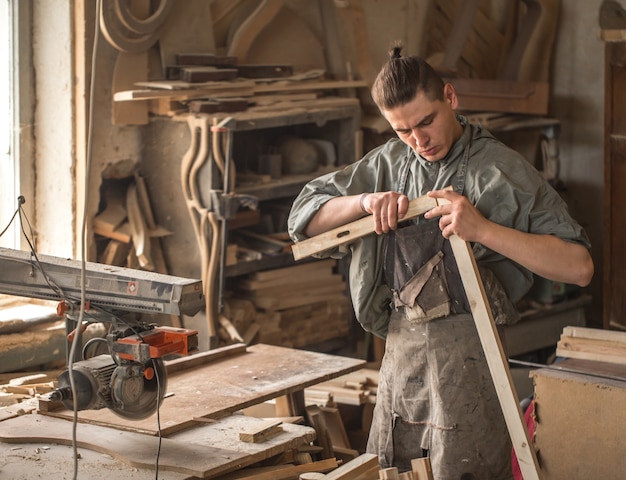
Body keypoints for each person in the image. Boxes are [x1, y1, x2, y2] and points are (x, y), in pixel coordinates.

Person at [287, 45, 594, 479]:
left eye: (426, 121)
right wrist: (364, 201)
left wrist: (483, 229)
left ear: (450, 97)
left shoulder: (501, 170)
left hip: (471, 359)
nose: (419, 141)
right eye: (403, 130)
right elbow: (304, 218)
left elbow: (579, 267)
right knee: (392, 469)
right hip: (399, 359)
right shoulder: (390, 162)